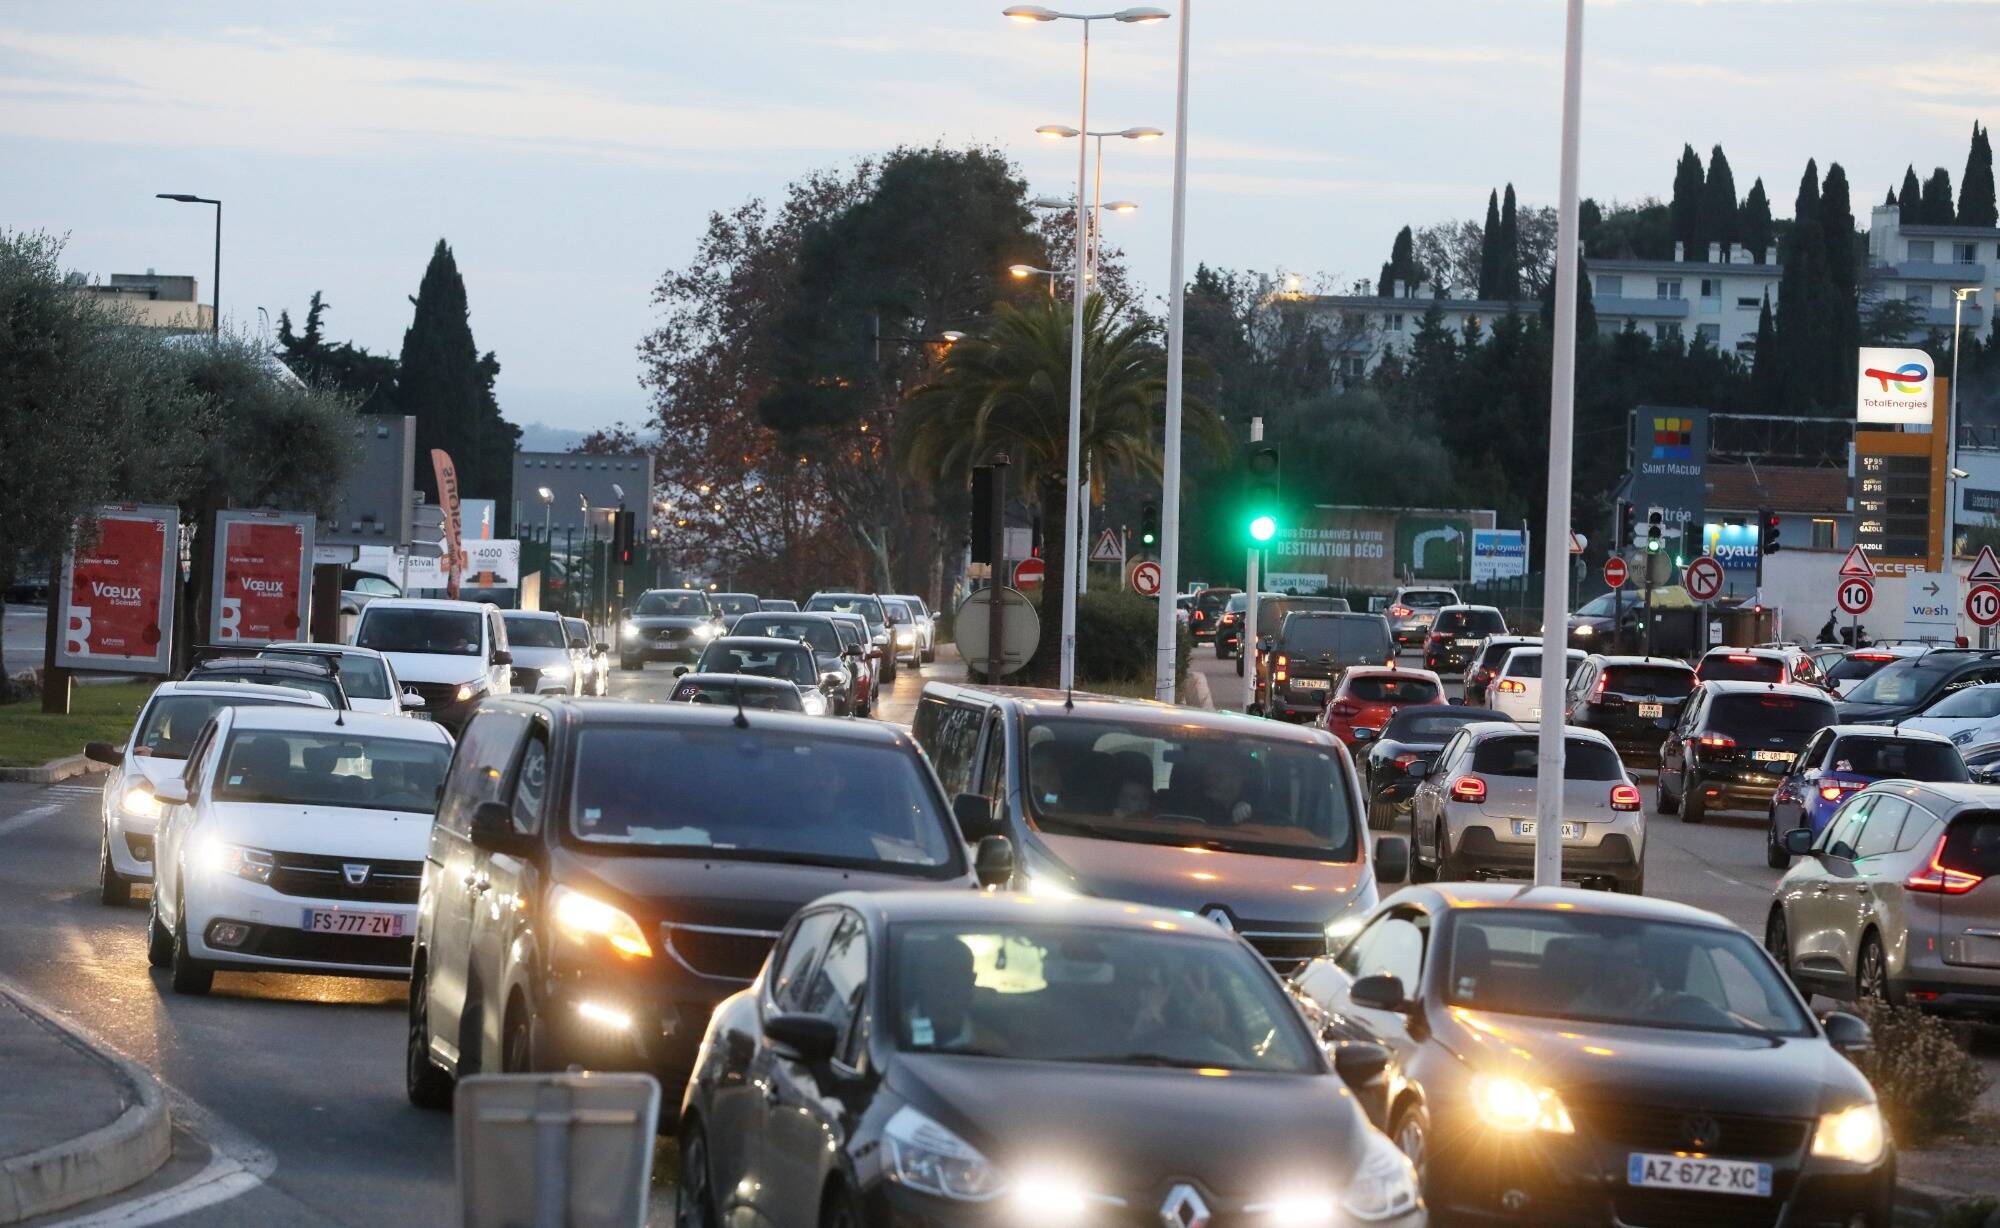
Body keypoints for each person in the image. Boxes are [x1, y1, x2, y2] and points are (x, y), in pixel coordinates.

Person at [903, 937, 985, 1052]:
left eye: (957, 974)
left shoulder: (991, 1046)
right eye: (939, 972)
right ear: (920, 978)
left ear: (971, 981)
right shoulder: (892, 1034)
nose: (948, 983)